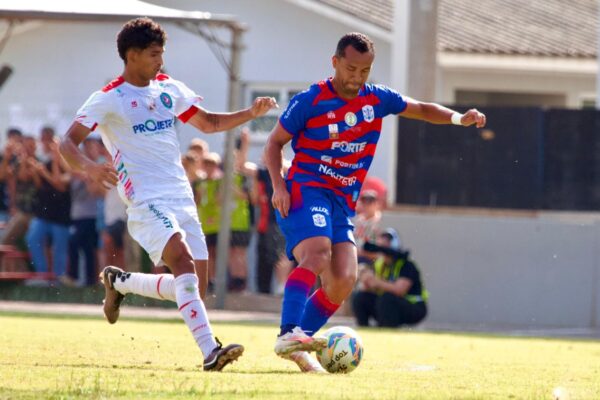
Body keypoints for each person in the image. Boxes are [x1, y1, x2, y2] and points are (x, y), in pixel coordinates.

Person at [59, 17, 278, 371]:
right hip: (146, 200)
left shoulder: (168, 88)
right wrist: (89, 166)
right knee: (181, 262)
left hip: (181, 197)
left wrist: (250, 114)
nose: (160, 61)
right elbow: (67, 142)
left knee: (194, 288)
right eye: (153, 54)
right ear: (131, 56)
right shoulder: (109, 98)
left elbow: (207, 123)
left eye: (161, 54)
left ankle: (121, 282)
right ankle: (210, 352)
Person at [264, 32, 486, 372]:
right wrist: (278, 185)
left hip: (342, 200)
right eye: (351, 69)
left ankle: (298, 343)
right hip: (306, 188)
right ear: (335, 62)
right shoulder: (311, 99)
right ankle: (287, 332)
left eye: (364, 71)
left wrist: (458, 118)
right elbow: (273, 143)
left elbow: (422, 109)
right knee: (317, 252)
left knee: (343, 280)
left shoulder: (376, 99)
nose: (356, 77)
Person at [352, 228, 428, 327]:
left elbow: (400, 290)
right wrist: (366, 280)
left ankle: (387, 328)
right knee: (360, 296)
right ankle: (364, 328)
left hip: (414, 307)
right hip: (387, 303)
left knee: (387, 298)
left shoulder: (406, 265)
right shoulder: (379, 264)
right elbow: (371, 288)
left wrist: (377, 282)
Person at [352, 189, 383, 264]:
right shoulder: (358, 220)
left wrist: (361, 253)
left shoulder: (380, 222)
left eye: (370, 202)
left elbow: (380, 251)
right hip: (355, 257)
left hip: (371, 261)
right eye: (364, 202)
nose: (366, 205)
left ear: (376, 204)